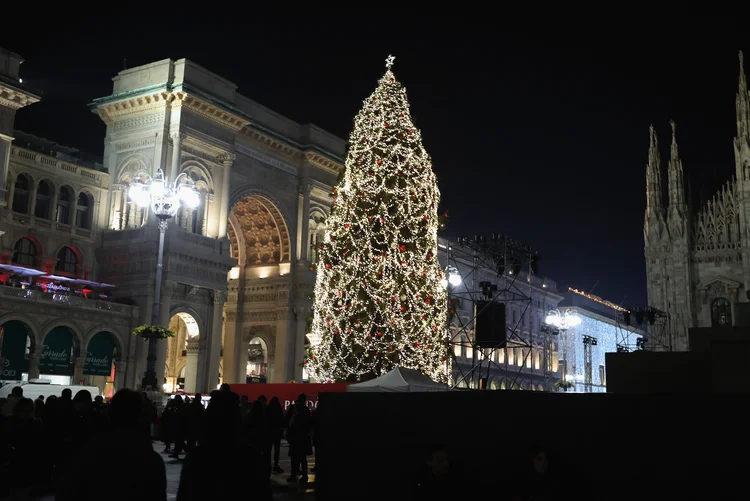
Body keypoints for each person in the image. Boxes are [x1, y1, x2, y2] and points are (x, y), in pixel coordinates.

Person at [286, 393, 312, 484]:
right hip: (302, 436)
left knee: (294, 457)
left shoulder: (294, 409)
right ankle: (304, 475)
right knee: (302, 458)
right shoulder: (305, 410)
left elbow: (288, 421)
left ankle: (294, 474)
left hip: (294, 436)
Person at [266, 396, 285, 474]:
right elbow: (282, 420)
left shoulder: (268, 409)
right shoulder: (279, 409)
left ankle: (267, 464)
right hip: (277, 432)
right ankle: (276, 465)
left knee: (268, 449)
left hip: (269, 432)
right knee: (277, 450)